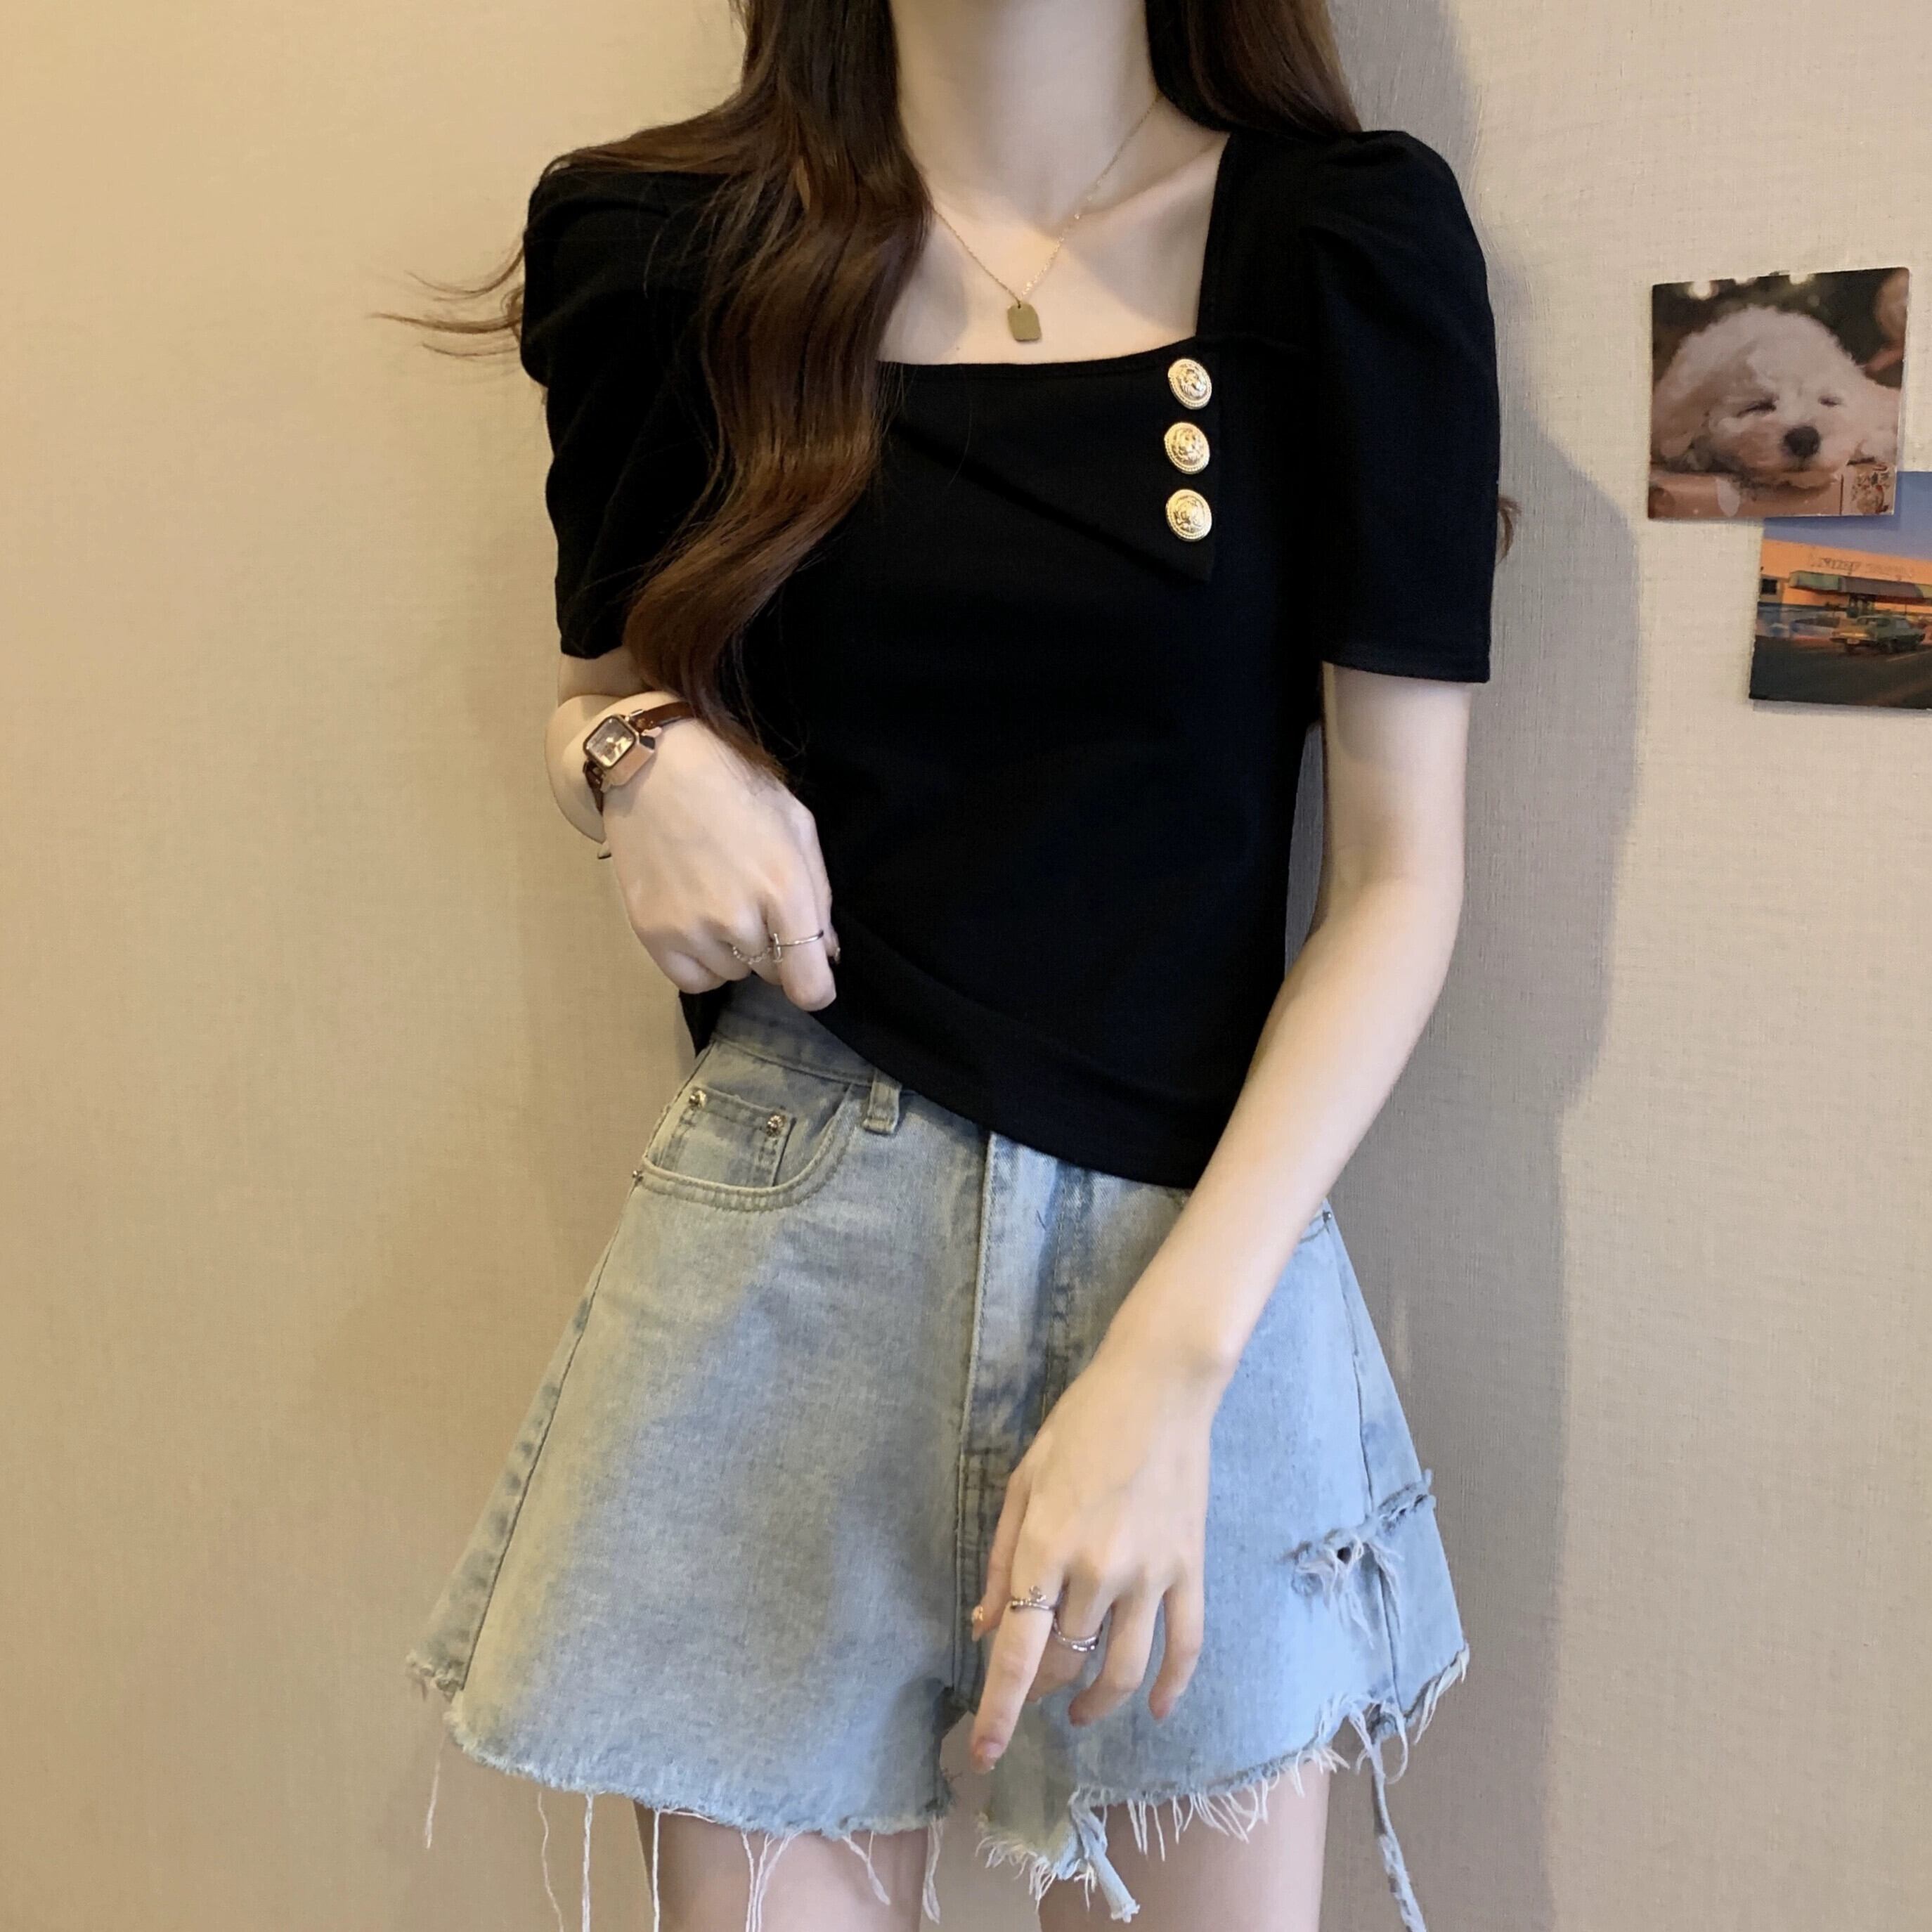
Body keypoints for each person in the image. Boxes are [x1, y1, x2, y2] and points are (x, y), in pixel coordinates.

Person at [403, 1, 1508, 1926]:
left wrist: (1170, 1371)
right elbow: (604, 698)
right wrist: (636, 759)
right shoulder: (667, 252)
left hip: (1201, 1266)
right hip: (785, 1248)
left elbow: (1399, 885)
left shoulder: (1340, 248)